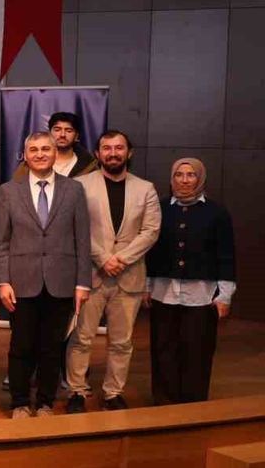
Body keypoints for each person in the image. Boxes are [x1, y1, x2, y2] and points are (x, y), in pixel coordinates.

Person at [0, 131, 91, 418]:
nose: (40, 154)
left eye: (45, 149)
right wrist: (2, 281)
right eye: (34, 149)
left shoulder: (74, 190)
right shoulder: (9, 191)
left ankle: (46, 402)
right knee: (21, 346)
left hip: (61, 281)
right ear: (25, 155)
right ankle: (20, 402)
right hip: (21, 281)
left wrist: (83, 282)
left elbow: (82, 240)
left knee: (52, 347)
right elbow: (2, 242)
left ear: (55, 153)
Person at [66, 130, 160, 413]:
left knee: (122, 342)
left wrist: (120, 259)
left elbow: (151, 231)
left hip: (129, 277)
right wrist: (103, 258)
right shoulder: (80, 186)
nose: (113, 153)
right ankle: (76, 391)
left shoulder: (146, 188)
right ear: (98, 154)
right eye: (107, 148)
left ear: (129, 153)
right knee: (81, 338)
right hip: (90, 275)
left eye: (119, 148)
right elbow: (75, 227)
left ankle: (113, 392)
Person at [146, 157, 236, 405]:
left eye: (190, 175)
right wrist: (146, 286)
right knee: (163, 348)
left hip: (202, 295)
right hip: (163, 292)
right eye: (179, 175)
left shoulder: (217, 213)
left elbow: (226, 255)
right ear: (172, 178)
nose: (184, 180)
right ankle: (164, 401)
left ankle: (193, 403)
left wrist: (225, 295)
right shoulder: (159, 208)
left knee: (197, 349)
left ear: (200, 178)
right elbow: (150, 251)